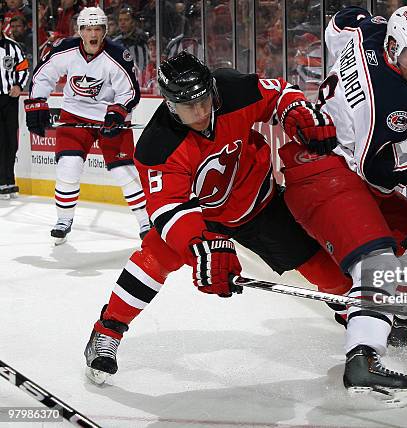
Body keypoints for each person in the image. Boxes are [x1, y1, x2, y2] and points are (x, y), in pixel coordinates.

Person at [83, 51, 353, 386]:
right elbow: (169, 210)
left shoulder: (232, 89)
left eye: (203, 100)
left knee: (323, 268)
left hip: (257, 202)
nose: (198, 112)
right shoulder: (157, 146)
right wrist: (201, 247)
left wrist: (294, 109)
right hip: (200, 219)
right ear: (169, 105)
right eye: (187, 106)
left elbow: (279, 94)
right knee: (153, 256)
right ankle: (106, 331)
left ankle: (355, 316)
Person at [278, 6, 407, 402]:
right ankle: (363, 359)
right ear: (394, 46)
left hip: (336, 161)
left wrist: (367, 17)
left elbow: (339, 21)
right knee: (378, 260)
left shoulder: (367, 33)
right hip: (323, 171)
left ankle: (404, 323)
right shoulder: (394, 101)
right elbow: (374, 168)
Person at [24, 6, 150, 244]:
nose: (93, 34)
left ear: (104, 30)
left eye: (98, 28)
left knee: (124, 171)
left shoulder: (117, 55)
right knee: (68, 167)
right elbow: (43, 76)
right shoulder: (65, 50)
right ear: (80, 31)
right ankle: (64, 220)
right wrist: (37, 104)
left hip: (110, 118)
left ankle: (145, 221)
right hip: (75, 116)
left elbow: (130, 91)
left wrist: (116, 114)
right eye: (88, 28)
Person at [0, 18, 29, 199]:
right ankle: (1, 182)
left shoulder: (13, 47)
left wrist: (19, 85)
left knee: (12, 140)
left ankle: (9, 181)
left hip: (9, 99)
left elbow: (23, 68)